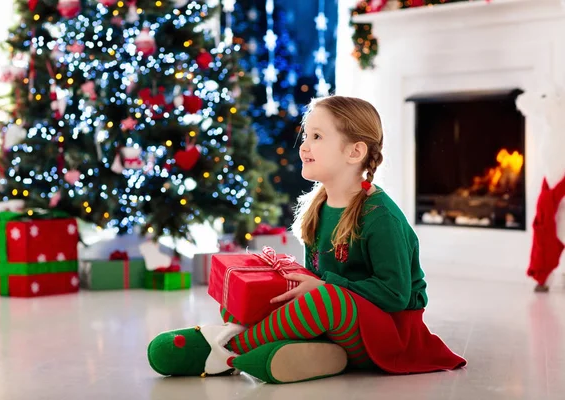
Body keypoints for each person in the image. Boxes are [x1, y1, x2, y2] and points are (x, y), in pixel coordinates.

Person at [147, 95, 466, 384]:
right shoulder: (320, 205)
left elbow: (394, 294)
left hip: (389, 333)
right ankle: (300, 352)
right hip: (343, 322)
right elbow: (316, 275)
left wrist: (324, 285)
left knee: (322, 300)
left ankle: (225, 348)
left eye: (317, 137)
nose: (304, 145)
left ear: (355, 151)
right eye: (306, 135)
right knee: (253, 294)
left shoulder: (380, 216)